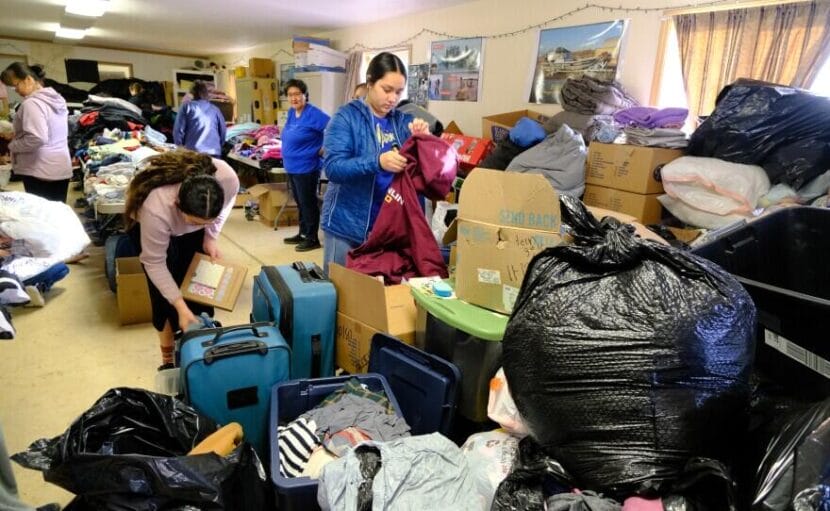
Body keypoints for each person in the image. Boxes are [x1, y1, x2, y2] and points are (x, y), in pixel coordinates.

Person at [124, 150, 239, 368]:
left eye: (206, 221)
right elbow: (154, 262)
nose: (201, 226)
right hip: (150, 229)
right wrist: (180, 307)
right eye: (196, 222)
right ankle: (168, 360)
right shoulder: (156, 207)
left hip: (192, 216)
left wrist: (210, 236)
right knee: (163, 300)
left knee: (198, 286)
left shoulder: (227, 179)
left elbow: (222, 209)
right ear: (178, 205)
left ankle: (200, 348)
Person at [320, 52, 429, 274]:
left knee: (373, 300)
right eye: (386, 90)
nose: (392, 99)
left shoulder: (402, 122)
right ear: (370, 83)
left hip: (388, 229)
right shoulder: (346, 118)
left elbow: (422, 174)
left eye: (398, 92)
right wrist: (378, 161)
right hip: (347, 225)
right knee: (339, 294)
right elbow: (333, 168)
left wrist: (424, 142)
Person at [0, 62, 71, 203]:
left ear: (28, 79)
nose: (16, 90)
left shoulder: (31, 103)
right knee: (57, 212)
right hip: (60, 166)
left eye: (16, 85)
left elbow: (37, 138)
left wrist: (13, 145)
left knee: (41, 217)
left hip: (40, 169)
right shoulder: (57, 99)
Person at [281, 79, 330, 252]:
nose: (294, 98)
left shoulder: (313, 113)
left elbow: (333, 127)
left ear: (305, 95)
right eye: (290, 95)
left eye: (297, 94)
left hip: (307, 167)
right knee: (300, 202)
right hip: (292, 166)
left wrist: (325, 148)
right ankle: (302, 233)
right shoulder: (292, 113)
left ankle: (312, 237)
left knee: (308, 203)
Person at [173, 81, 226, 157]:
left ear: (192, 94)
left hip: (193, 154)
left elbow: (178, 131)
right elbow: (223, 131)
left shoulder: (186, 107)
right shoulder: (215, 109)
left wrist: (179, 148)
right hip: (214, 153)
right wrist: (218, 145)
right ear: (205, 93)